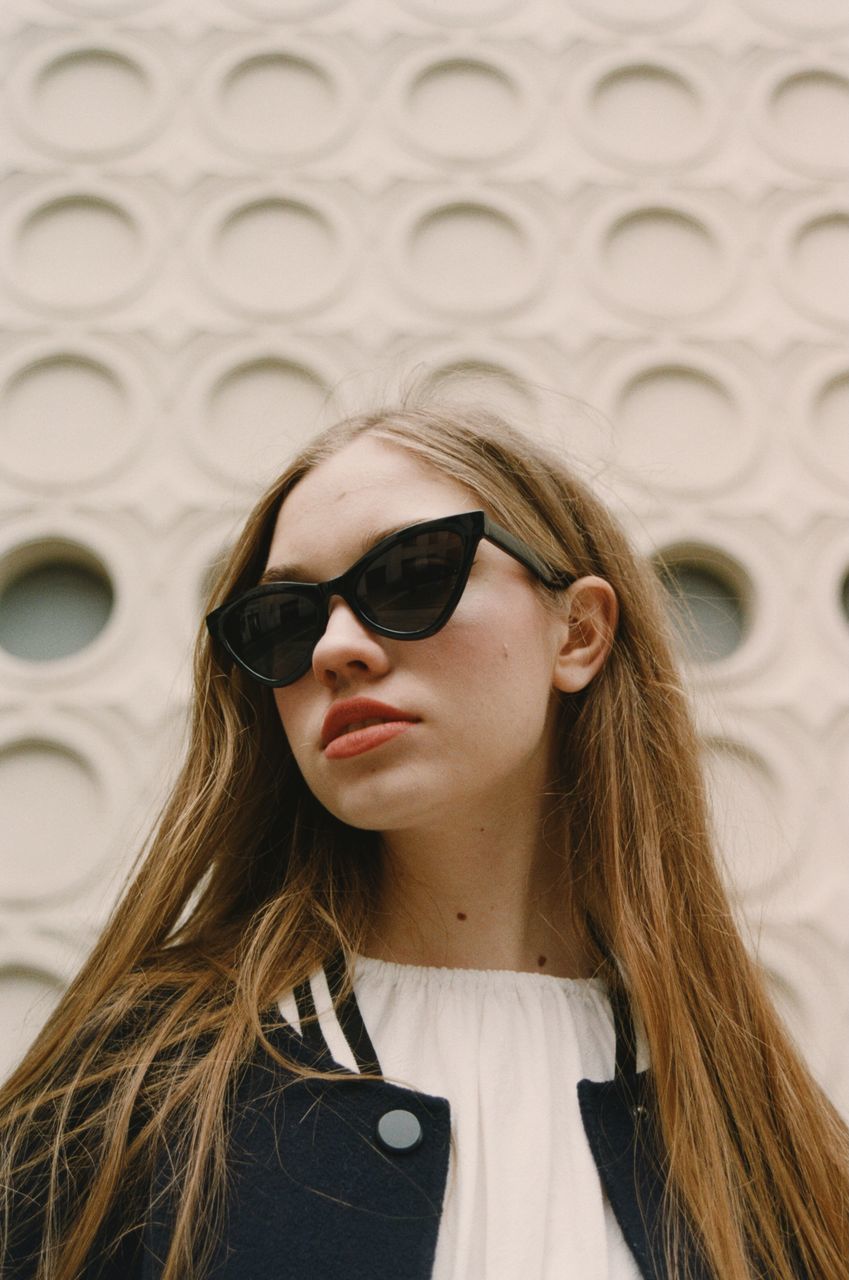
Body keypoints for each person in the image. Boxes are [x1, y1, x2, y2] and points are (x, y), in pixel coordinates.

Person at [1, 402, 846, 1280]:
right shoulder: (137, 1085)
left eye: (409, 575)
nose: (335, 647)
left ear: (580, 631)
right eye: (284, 618)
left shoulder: (750, 1119)